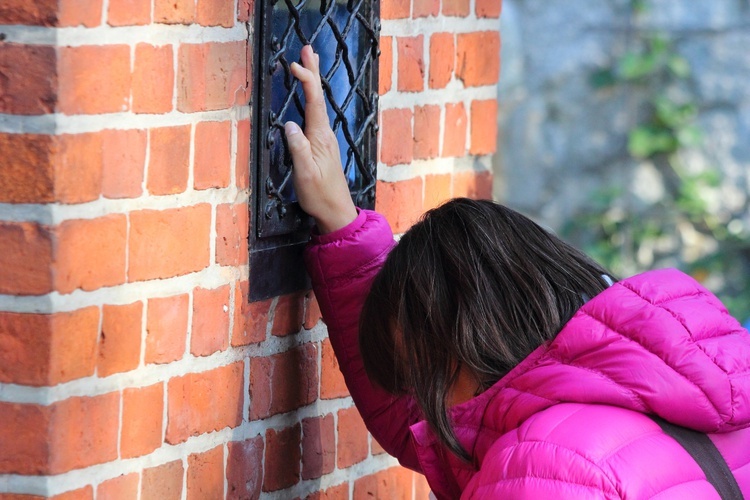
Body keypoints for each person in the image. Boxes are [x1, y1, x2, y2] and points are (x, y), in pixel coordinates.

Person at [285, 45, 750, 499]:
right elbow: (432, 431)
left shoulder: (543, 466)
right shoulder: (685, 390)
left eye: (429, 376)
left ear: (468, 341)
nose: (433, 405)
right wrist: (340, 222)